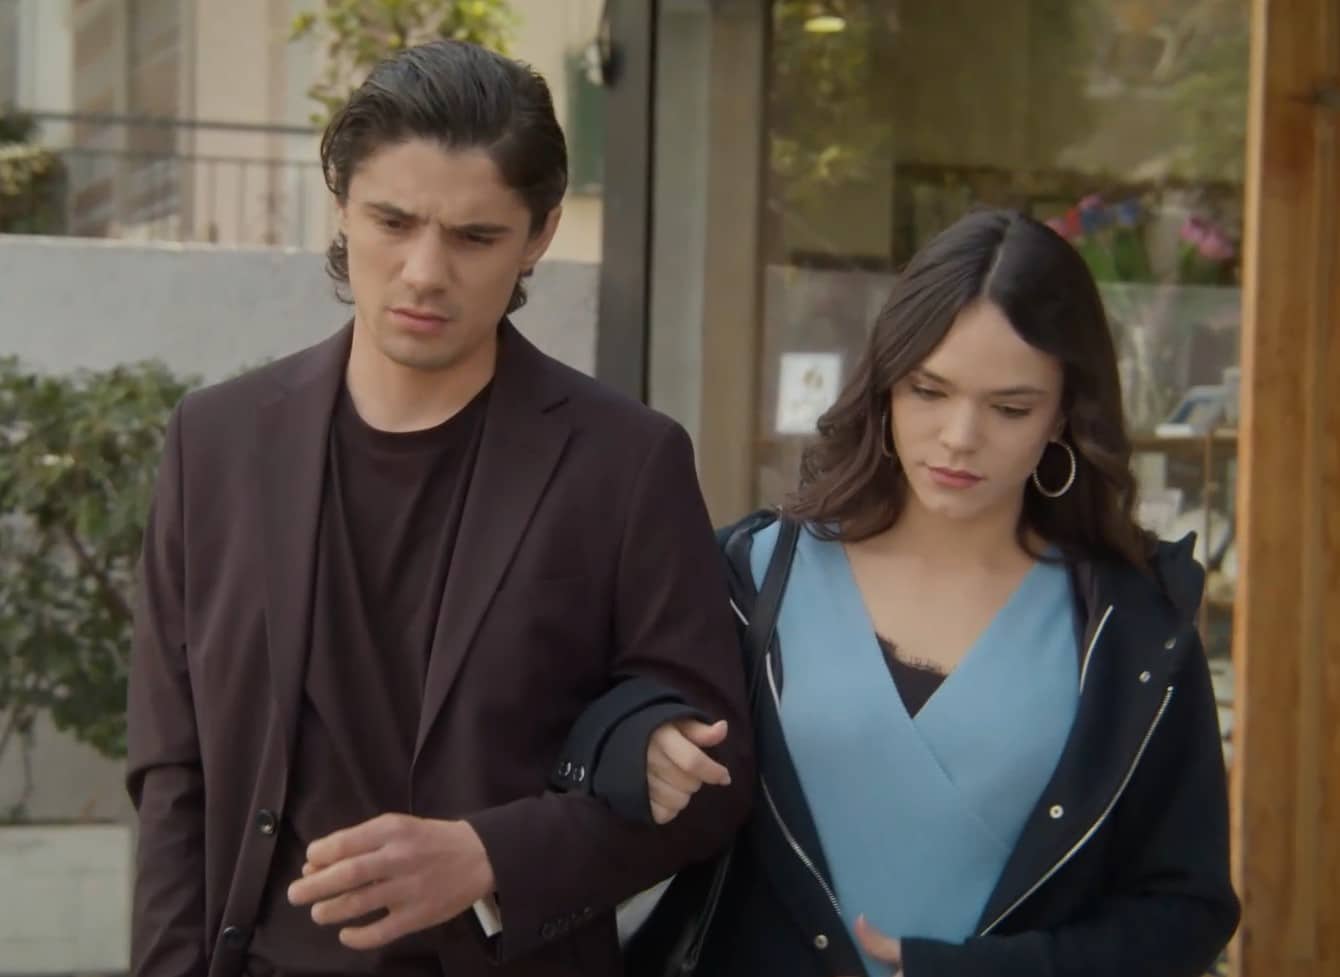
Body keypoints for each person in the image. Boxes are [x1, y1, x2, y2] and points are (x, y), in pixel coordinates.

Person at [125, 40, 751, 977]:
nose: (424, 271)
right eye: (393, 221)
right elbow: (174, 768)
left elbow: (711, 783)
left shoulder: (626, 463)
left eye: (474, 237)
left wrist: (493, 858)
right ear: (342, 205)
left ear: (538, 236)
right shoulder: (215, 441)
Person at [568, 209, 1240, 977]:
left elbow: (1187, 908)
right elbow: (585, 720)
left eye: (1010, 407)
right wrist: (640, 739)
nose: (959, 436)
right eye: (929, 390)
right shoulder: (752, 572)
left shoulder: (1134, 628)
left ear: (1064, 414)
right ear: (885, 384)